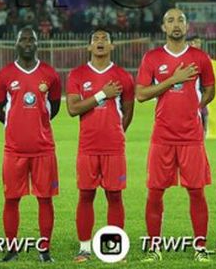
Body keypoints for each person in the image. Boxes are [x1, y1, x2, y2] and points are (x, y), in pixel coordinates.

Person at [136, 9, 215, 262]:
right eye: (170, 20)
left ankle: (200, 247)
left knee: (196, 192)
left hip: (191, 137)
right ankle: (154, 247)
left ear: (187, 25)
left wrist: (198, 106)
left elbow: (211, 88)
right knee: (155, 192)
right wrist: (173, 80)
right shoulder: (152, 58)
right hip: (162, 136)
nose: (176, 24)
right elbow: (141, 94)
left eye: (180, 20)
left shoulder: (199, 57)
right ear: (163, 27)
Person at [0, 27, 61, 263]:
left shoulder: (50, 74)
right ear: (16, 43)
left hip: (44, 149)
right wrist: (16, 125)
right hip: (14, 150)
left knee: (45, 199)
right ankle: (11, 249)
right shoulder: (4, 75)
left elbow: (54, 107)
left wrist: (36, 124)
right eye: (24, 39)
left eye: (32, 39)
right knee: (11, 199)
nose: (28, 43)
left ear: (38, 44)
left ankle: (44, 250)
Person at [66, 28, 134, 263]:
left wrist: (114, 133)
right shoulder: (77, 74)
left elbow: (128, 112)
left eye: (105, 39)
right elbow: (73, 109)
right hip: (87, 147)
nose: (100, 41)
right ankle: (84, 248)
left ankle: (115, 248)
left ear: (112, 46)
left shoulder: (124, 76)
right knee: (86, 195)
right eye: (96, 39)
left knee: (115, 197)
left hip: (114, 148)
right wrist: (101, 95)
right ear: (89, 47)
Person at [187, 35, 210, 135]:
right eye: (195, 42)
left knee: (204, 112)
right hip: (189, 91)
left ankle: (204, 131)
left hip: (201, 90)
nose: (197, 44)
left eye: (199, 42)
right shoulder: (186, 57)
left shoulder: (204, 57)